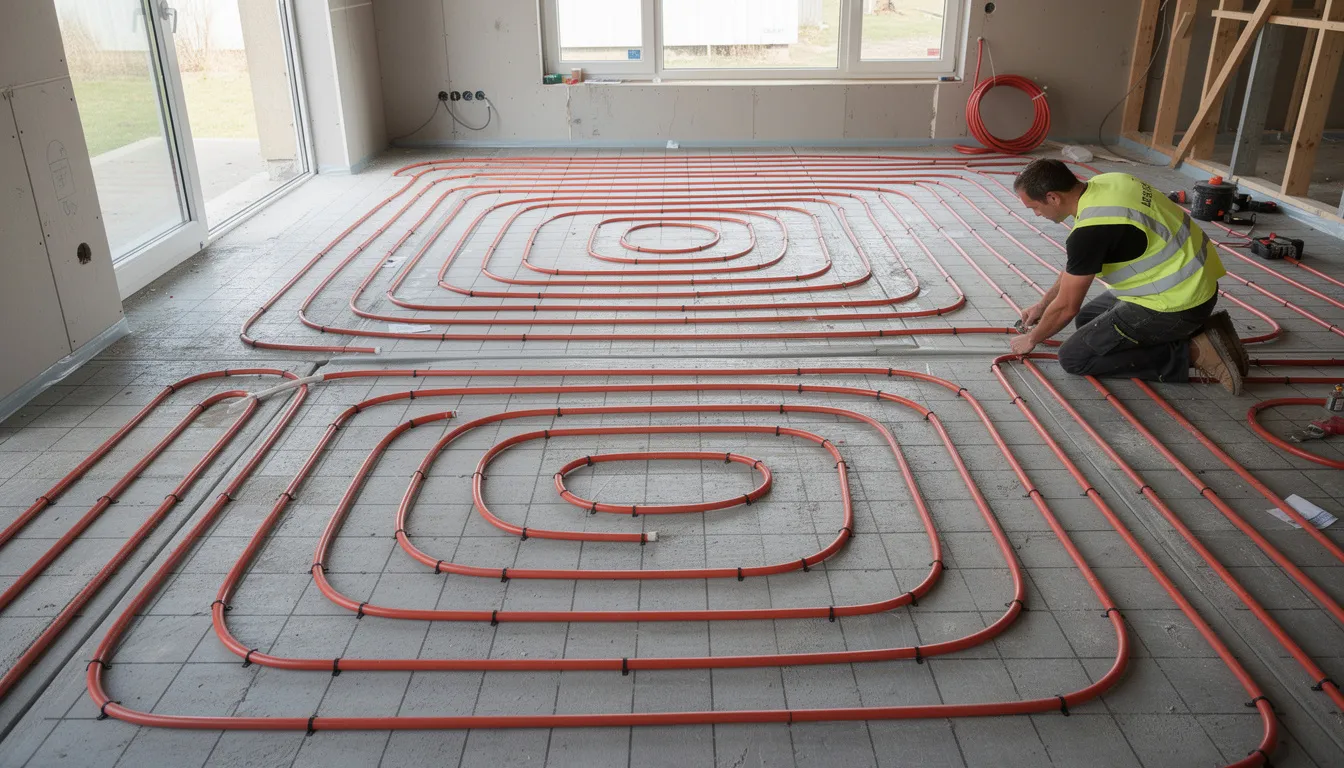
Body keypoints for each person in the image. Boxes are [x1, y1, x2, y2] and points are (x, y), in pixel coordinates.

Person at [1008, 159, 1248, 394]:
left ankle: (1195, 352)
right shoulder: (1109, 182)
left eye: (1035, 207)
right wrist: (1043, 305)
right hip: (1195, 284)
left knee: (1074, 358)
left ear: (1053, 197)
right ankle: (1201, 334)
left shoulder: (1090, 232)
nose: (1037, 214)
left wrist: (1032, 338)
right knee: (1088, 319)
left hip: (1176, 305)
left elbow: (1067, 308)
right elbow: (1076, 268)